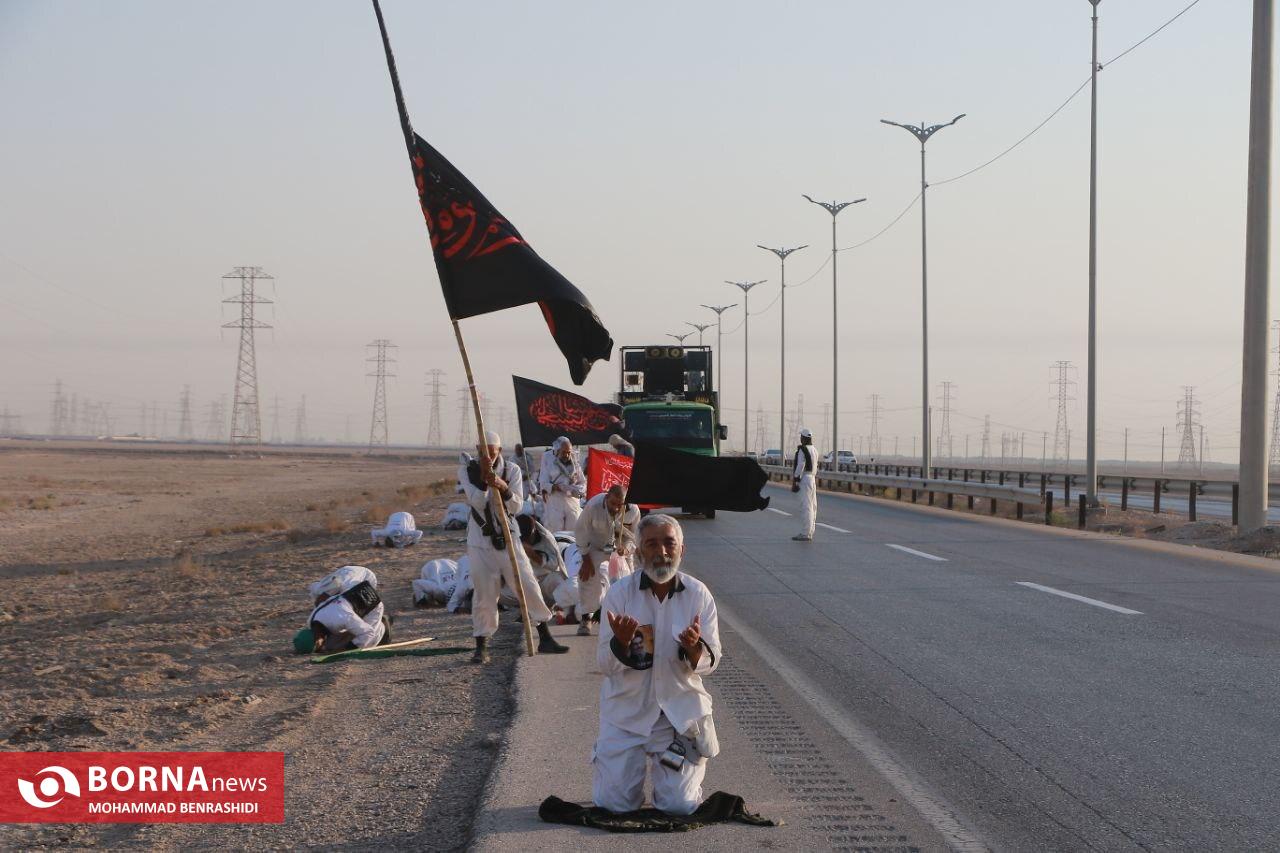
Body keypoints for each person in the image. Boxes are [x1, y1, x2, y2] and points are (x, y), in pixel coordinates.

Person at [593, 514, 721, 816]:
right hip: (627, 715)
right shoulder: (619, 595)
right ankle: (618, 775)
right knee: (615, 806)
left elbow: (711, 661)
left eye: (669, 543)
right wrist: (621, 643)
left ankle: (680, 782)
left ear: (681, 550)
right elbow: (605, 666)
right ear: (639, 552)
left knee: (679, 806)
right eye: (652, 544)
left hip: (679, 717)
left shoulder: (698, 594)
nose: (662, 552)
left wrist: (693, 648)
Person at [460, 431, 569, 663]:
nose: (487, 455)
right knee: (484, 593)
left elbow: (517, 506)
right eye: (483, 451)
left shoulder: (512, 471)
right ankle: (482, 645)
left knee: (527, 584)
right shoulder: (467, 470)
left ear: (499, 451)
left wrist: (501, 485)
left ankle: (545, 636)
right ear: (478, 450)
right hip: (480, 542)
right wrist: (484, 480)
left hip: (508, 537)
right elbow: (477, 501)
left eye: (492, 452)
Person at [574, 484, 640, 636]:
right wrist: (586, 559)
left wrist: (626, 549)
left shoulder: (633, 510)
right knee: (587, 577)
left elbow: (636, 536)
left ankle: (625, 620)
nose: (616, 508)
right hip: (595, 548)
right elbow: (580, 531)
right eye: (613, 503)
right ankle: (586, 618)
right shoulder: (593, 506)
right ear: (606, 498)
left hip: (620, 550)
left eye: (620, 505)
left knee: (628, 583)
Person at [303, 565, 391, 652]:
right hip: (347, 592)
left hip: (369, 600)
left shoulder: (341, 617)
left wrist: (348, 649)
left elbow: (368, 633)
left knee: (369, 642)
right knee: (331, 645)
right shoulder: (313, 619)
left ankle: (383, 626)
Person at [539, 436, 586, 532]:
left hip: (572, 501)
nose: (567, 455)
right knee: (556, 531)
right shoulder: (547, 458)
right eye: (564, 452)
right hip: (555, 501)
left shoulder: (574, 459)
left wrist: (577, 490)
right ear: (557, 451)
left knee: (573, 531)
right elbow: (543, 483)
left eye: (568, 452)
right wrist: (557, 487)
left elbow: (582, 482)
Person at [792, 428, 818, 541]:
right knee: (813, 506)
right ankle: (810, 531)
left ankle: (805, 533)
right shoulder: (815, 450)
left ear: (803, 438)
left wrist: (796, 479)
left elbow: (800, 465)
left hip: (805, 478)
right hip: (812, 478)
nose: (800, 439)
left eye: (801, 437)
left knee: (806, 506)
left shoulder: (803, 450)